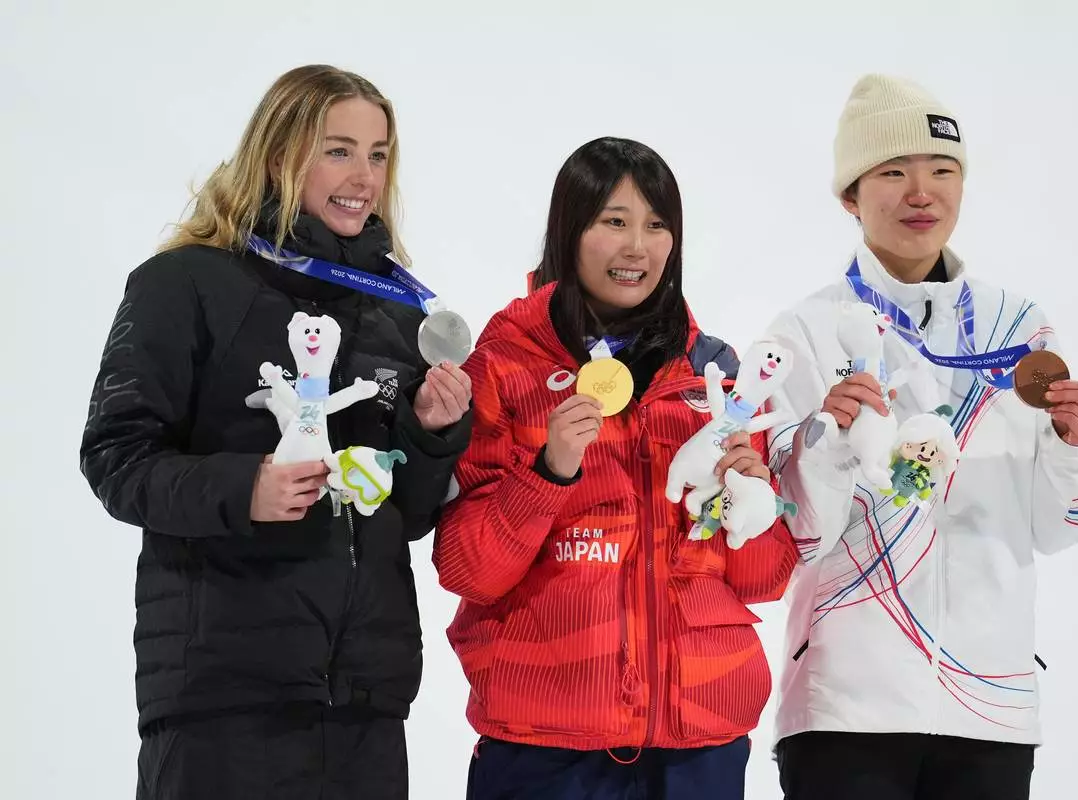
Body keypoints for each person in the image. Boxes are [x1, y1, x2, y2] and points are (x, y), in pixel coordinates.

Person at [80, 64, 473, 799]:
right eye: (339, 149)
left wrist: (429, 433)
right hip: (221, 700)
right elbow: (115, 456)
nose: (364, 175)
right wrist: (245, 488)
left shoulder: (395, 316)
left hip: (363, 700)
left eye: (379, 154)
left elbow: (410, 515)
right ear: (278, 155)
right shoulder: (185, 283)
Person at [761, 74, 1078, 800]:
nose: (922, 191)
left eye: (942, 170)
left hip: (990, 708)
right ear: (850, 197)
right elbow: (789, 536)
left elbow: (1057, 528)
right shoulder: (804, 333)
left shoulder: (1021, 329)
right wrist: (827, 438)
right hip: (846, 707)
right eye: (893, 172)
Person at [432, 136, 798, 800]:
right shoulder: (506, 366)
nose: (639, 247)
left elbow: (765, 578)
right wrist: (549, 473)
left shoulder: (713, 375)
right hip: (547, 747)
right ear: (570, 231)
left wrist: (753, 496)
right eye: (615, 221)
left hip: (701, 747)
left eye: (658, 226)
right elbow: (466, 567)